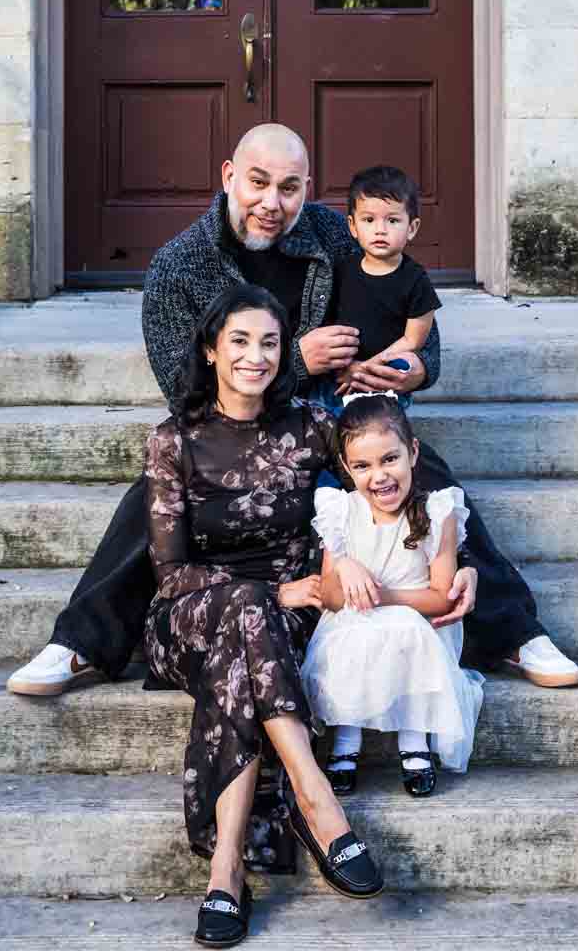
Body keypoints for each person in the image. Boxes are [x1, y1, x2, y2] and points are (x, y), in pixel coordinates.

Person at [7, 123, 578, 697]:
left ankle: (515, 632)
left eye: (288, 188)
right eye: (257, 183)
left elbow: (414, 317)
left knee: (419, 473)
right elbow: (184, 394)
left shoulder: (336, 234)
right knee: (153, 493)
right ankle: (80, 643)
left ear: (307, 188)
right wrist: (295, 363)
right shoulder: (179, 266)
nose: (271, 203)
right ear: (229, 177)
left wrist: (410, 367)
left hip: (333, 427)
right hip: (231, 438)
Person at [144, 284, 384, 946]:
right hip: (188, 617)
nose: (256, 356)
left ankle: (224, 874)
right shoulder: (174, 439)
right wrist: (274, 593)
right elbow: (168, 572)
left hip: (289, 614)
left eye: (270, 342)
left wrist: (453, 549)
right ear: (210, 350)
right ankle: (316, 799)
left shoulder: (311, 425)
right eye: (240, 341)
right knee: (247, 607)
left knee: (246, 641)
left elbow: (384, 479)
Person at [303, 395, 485, 800]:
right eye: (363, 466)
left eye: (390, 459)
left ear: (413, 452)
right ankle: (346, 744)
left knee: (403, 630)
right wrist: (344, 565)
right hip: (352, 623)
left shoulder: (438, 512)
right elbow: (332, 599)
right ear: (348, 469)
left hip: (416, 625)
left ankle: (414, 742)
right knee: (353, 634)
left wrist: (383, 597)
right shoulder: (340, 512)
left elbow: (441, 599)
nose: (379, 475)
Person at [312, 165, 440, 415]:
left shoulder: (415, 280)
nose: (380, 229)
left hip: (384, 380)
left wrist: (367, 369)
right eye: (369, 220)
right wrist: (345, 367)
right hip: (340, 378)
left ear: (412, 228)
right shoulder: (341, 270)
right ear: (352, 226)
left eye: (392, 220)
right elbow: (325, 320)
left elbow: (414, 340)